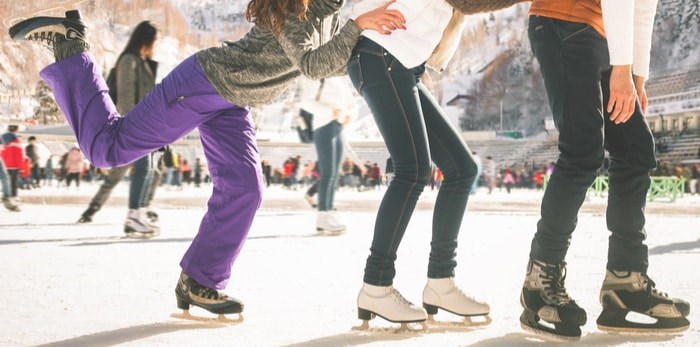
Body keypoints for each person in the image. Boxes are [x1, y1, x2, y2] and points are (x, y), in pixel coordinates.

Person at [9, 0, 405, 319]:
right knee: (106, 149)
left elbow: (328, 63)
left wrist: (375, 43)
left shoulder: (327, 10)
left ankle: (199, 281)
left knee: (246, 189)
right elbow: (310, 64)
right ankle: (71, 45)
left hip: (233, 102)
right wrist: (359, 26)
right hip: (203, 84)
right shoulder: (295, 6)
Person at [347, 0, 525, 328]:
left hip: (402, 66)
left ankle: (441, 283)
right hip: (381, 54)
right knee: (412, 170)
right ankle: (376, 284)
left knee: (462, 169)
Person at [520, 0, 690, 341]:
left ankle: (624, 281)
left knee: (635, 150)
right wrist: (623, 70)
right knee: (582, 153)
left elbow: (643, 6)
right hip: (563, 22)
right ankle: (540, 280)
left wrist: (636, 75)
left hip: (599, 34)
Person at [77, 21, 161, 238]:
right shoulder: (128, 61)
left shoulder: (142, 62)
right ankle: (133, 217)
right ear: (146, 39)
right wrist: (136, 127)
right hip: (134, 127)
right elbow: (125, 99)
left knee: (150, 170)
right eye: (155, 40)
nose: (156, 44)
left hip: (146, 127)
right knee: (141, 171)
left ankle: (139, 214)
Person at [298, 77, 356, 233]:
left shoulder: (338, 77)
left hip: (338, 124)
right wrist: (331, 111)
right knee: (327, 172)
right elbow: (305, 102)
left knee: (334, 173)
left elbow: (349, 102)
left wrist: (348, 113)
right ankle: (323, 216)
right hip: (323, 125)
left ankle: (328, 212)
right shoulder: (316, 74)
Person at [1, 125, 24, 207]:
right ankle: (13, 197)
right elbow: (19, 155)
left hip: (4, 164)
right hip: (14, 165)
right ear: (16, 130)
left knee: (6, 181)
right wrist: (21, 167)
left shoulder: (2, 139)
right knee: (13, 182)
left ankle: (7, 196)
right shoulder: (16, 140)